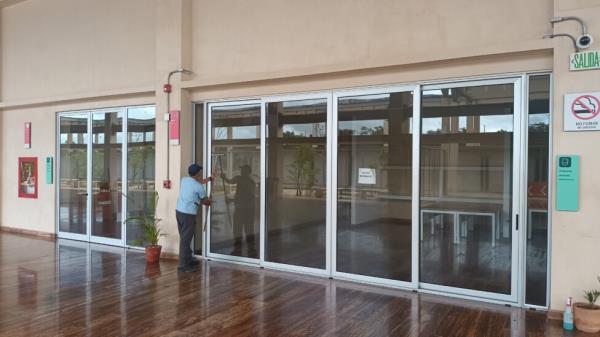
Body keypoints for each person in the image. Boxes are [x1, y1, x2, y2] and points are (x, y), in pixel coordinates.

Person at [176, 164, 213, 272]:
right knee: (185, 240)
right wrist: (209, 200)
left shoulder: (184, 180)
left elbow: (199, 181)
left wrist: (210, 179)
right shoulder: (198, 187)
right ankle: (182, 266)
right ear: (197, 174)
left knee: (184, 237)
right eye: (200, 172)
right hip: (188, 214)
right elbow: (205, 201)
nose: (201, 174)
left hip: (179, 212)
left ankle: (188, 259)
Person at [221, 165, 257, 257]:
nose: (241, 171)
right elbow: (230, 182)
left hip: (248, 209)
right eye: (241, 170)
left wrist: (231, 200)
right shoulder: (239, 178)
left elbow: (248, 196)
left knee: (249, 229)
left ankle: (251, 250)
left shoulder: (250, 182)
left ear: (248, 172)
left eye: (243, 170)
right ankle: (237, 250)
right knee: (237, 230)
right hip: (239, 209)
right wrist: (224, 177)